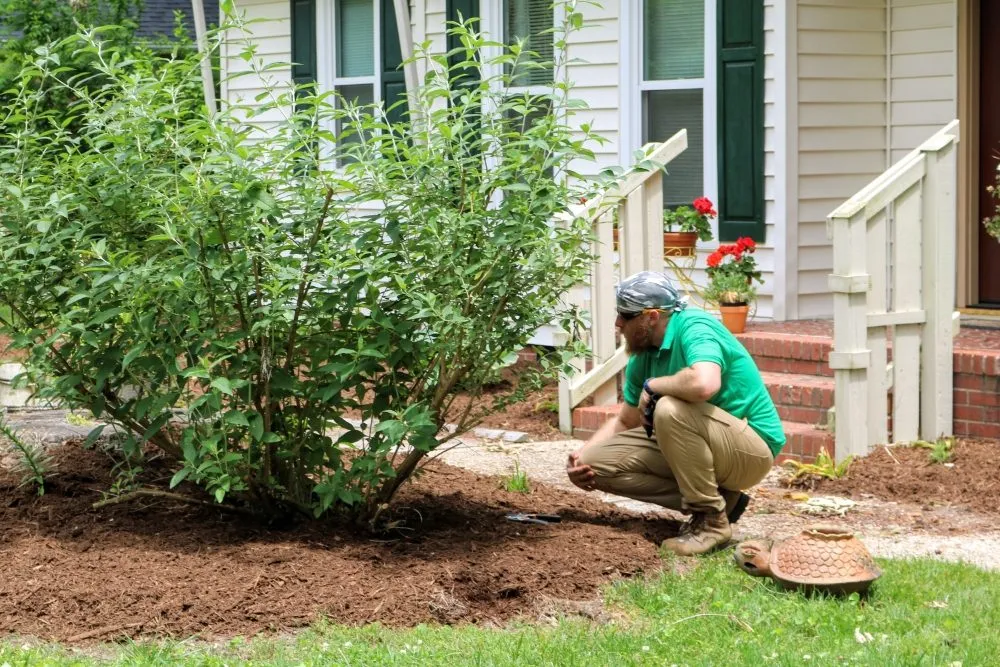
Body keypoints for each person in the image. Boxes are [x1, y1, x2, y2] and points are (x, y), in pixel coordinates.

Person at [565, 270, 786, 556]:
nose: (618, 323)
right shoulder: (643, 356)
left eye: (625, 315)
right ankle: (721, 502)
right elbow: (625, 421)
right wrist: (579, 460)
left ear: (652, 317)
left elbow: (705, 383)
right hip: (701, 446)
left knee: (669, 407)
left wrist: (655, 386)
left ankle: (711, 522)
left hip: (751, 451)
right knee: (594, 463)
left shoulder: (696, 327)